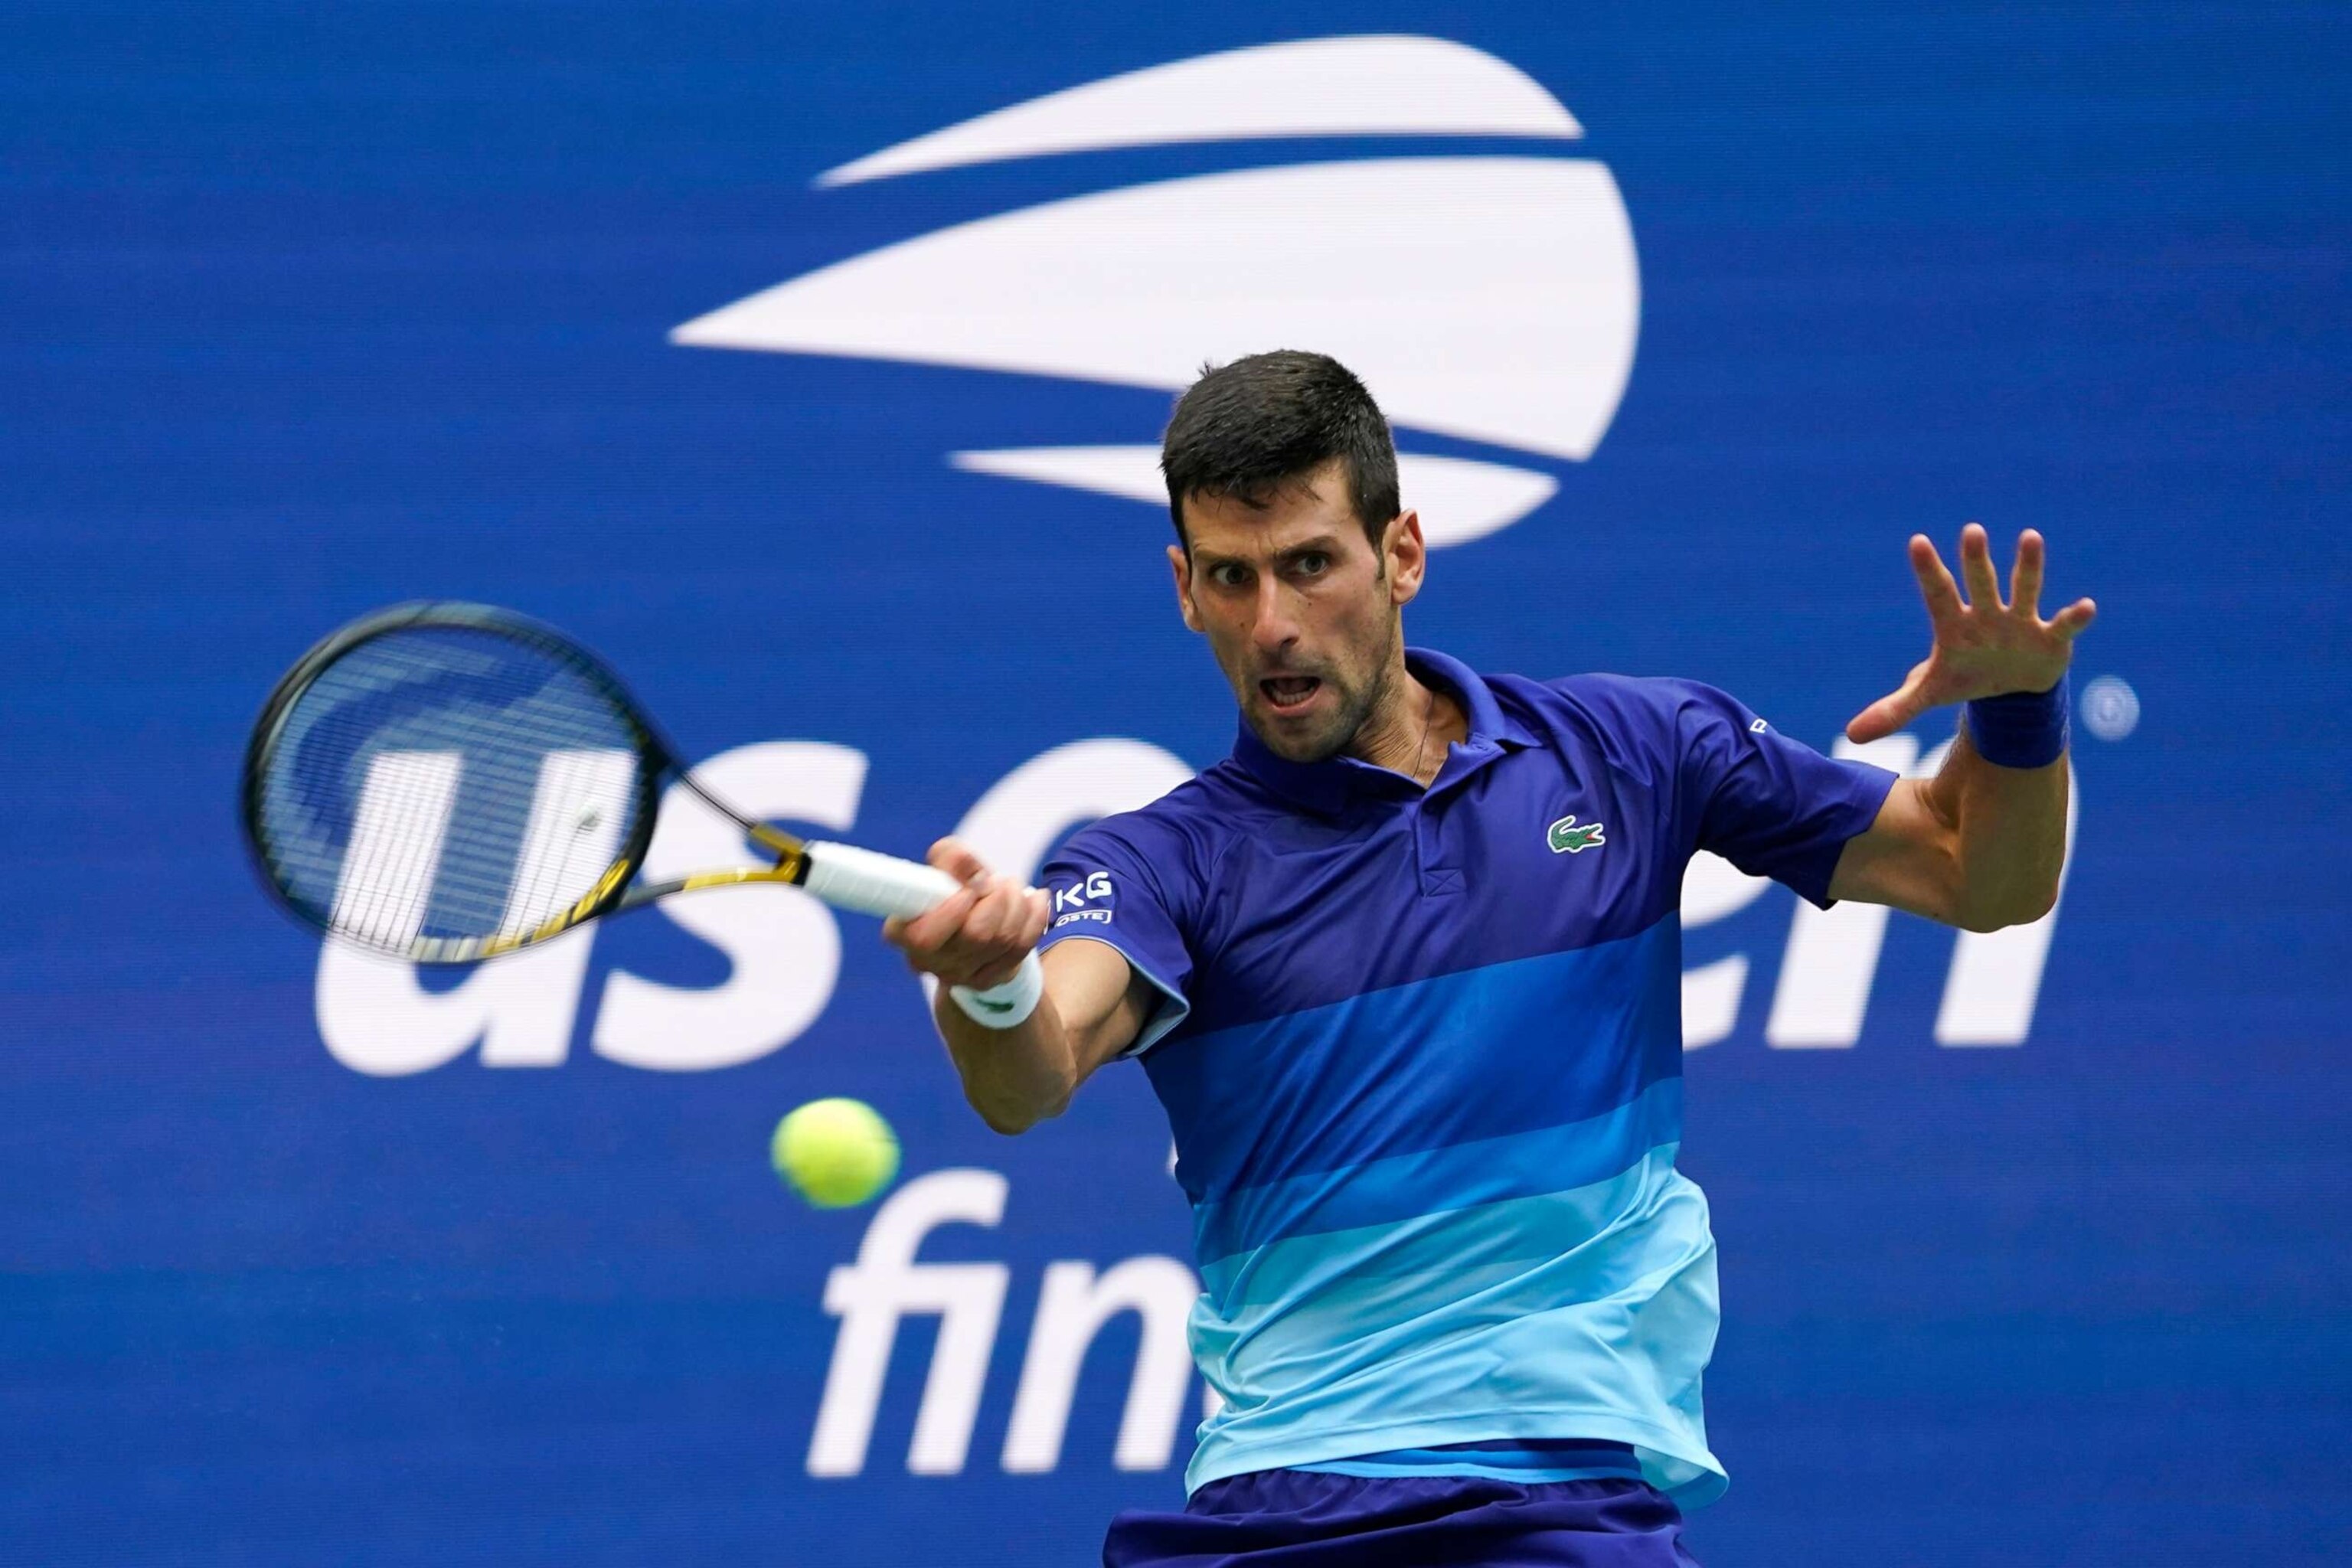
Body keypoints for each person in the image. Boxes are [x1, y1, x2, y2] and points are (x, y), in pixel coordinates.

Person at [883, 350, 2095, 1567]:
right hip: (1278, 1510)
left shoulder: (1634, 752)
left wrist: (2017, 716)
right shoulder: (1163, 862)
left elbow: (1974, 871)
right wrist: (991, 982)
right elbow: (1030, 1075)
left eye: (1311, 564)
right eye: (1230, 579)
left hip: (1556, 1508)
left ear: (1401, 552)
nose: (1275, 626)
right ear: (1184, 590)